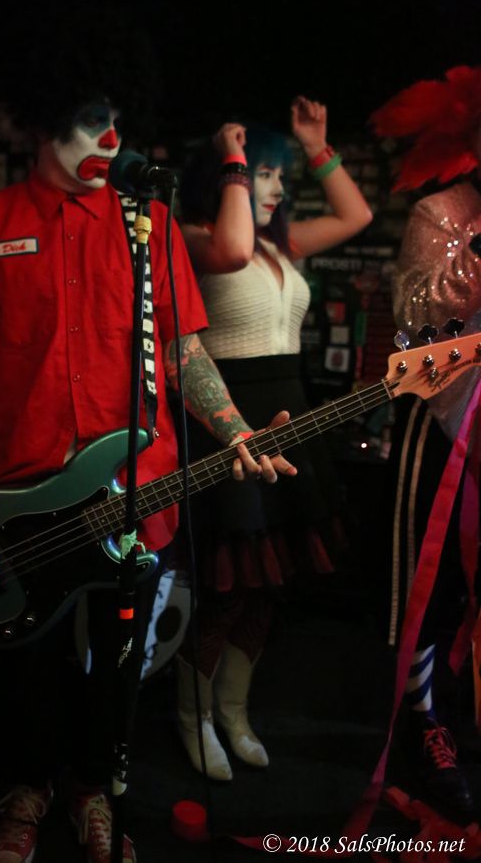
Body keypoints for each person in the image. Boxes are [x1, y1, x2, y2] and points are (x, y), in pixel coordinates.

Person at [0, 39, 297, 863]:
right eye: (90, 120)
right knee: (28, 668)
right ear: (40, 123)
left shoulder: (149, 227)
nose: (111, 141)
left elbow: (183, 350)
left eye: (118, 121)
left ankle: (93, 791)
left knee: (117, 665)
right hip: (16, 502)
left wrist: (235, 430)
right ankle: (24, 792)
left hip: (134, 498)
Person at [175, 99, 372, 780]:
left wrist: (316, 147)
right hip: (227, 421)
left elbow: (357, 216)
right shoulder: (194, 237)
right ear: (226, 175)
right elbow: (229, 249)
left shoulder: (279, 245)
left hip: (291, 418)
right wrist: (233, 156)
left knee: (270, 587)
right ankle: (193, 716)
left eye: (278, 176)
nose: (277, 189)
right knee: (228, 588)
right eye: (265, 173)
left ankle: (233, 712)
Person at [371, 65, 481, 818]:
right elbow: (418, 315)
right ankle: (425, 723)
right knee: (432, 586)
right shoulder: (441, 212)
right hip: (445, 420)